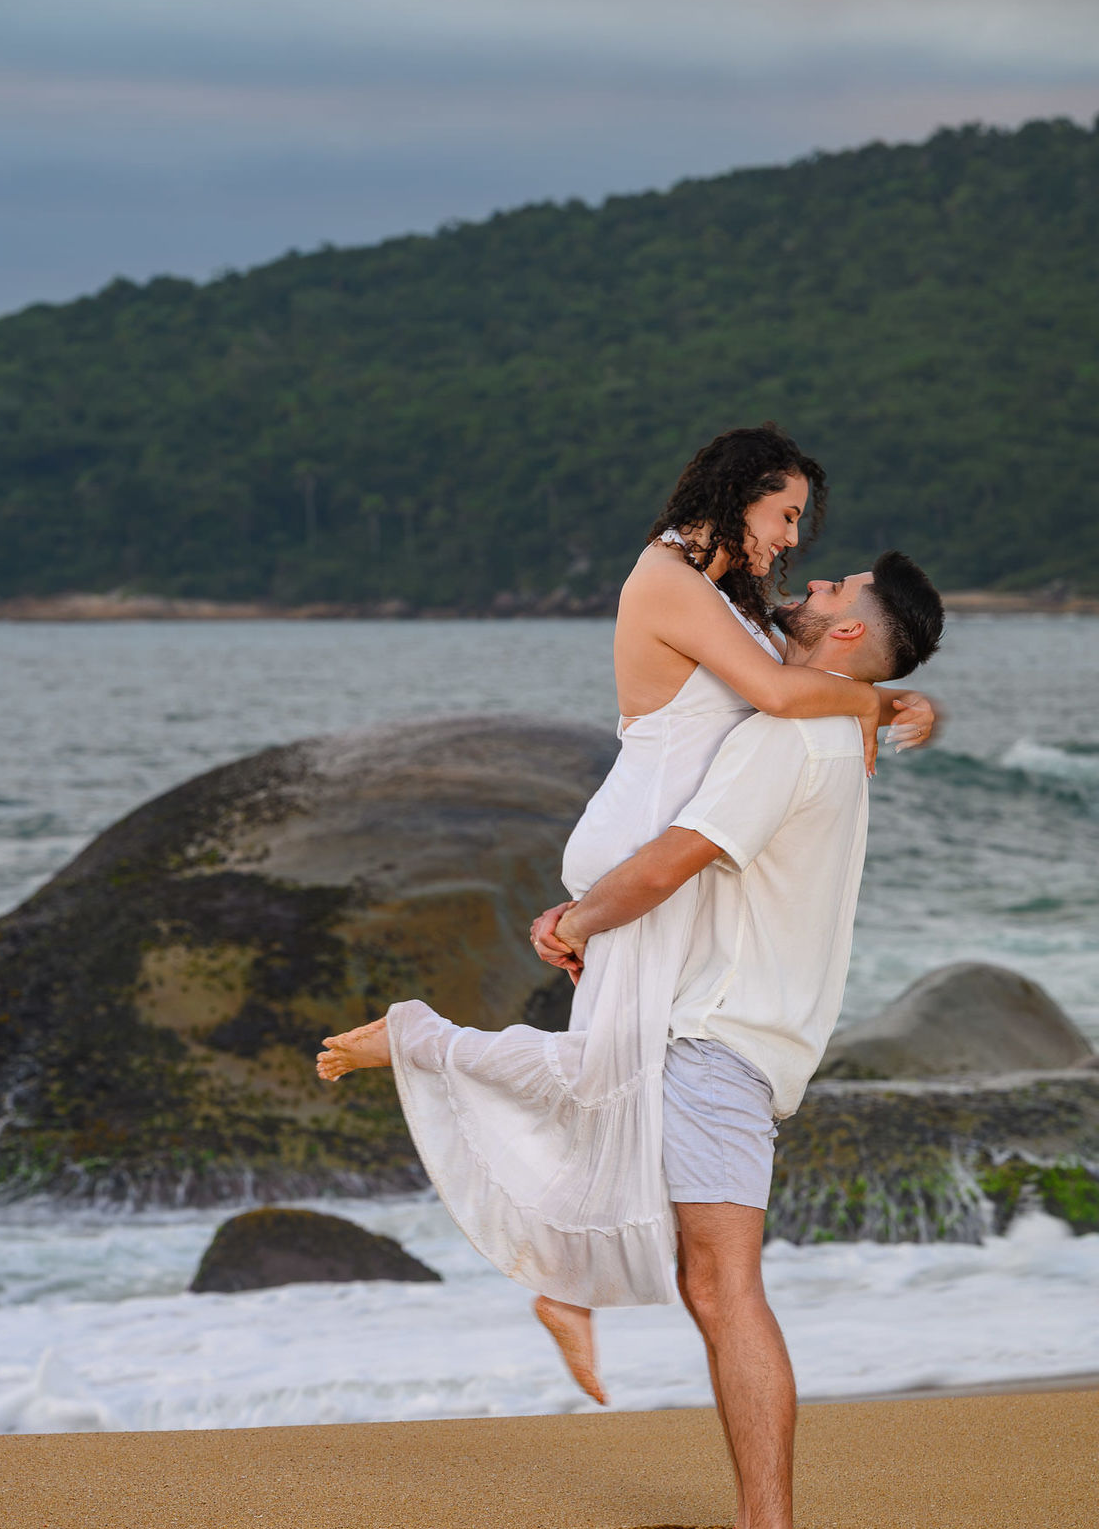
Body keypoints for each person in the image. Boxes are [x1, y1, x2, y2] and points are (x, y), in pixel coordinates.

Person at [316, 426, 935, 1393]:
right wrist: (878, 705)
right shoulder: (664, 577)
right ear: (740, 495)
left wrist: (900, 702)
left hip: (664, 849)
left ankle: (569, 1288)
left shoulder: (730, 596)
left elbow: (824, 659)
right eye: (784, 515)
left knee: (629, 1075)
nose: (791, 540)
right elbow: (782, 689)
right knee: (598, 1068)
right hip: (646, 845)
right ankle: (418, 1040)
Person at [526, 554, 944, 1529]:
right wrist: (896, 706)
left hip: (720, 1038)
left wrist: (572, 920)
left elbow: (677, 858)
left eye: (834, 590)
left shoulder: (792, 733)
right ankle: (755, 1514)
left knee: (725, 1285)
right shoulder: (836, 726)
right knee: (706, 1276)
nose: (810, 587)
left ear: (846, 636)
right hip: (743, 1033)